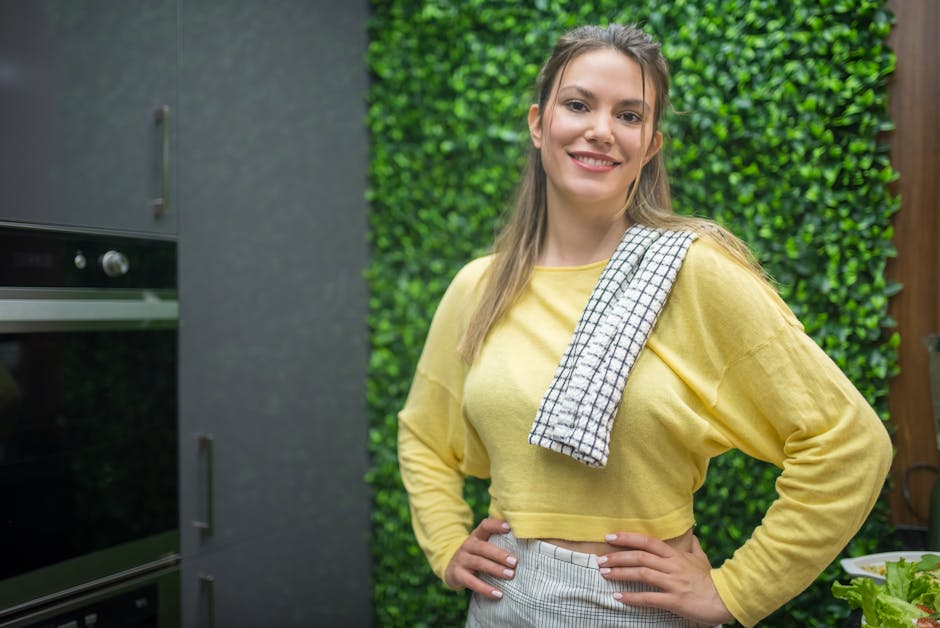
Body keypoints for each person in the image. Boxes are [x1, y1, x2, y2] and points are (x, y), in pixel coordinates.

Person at [396, 22, 893, 627]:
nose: (600, 130)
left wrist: (735, 591)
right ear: (538, 123)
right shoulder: (481, 286)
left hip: (633, 608)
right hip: (501, 602)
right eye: (578, 104)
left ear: (650, 144)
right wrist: (447, 544)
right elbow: (424, 433)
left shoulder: (693, 272)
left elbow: (850, 442)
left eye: (628, 116)